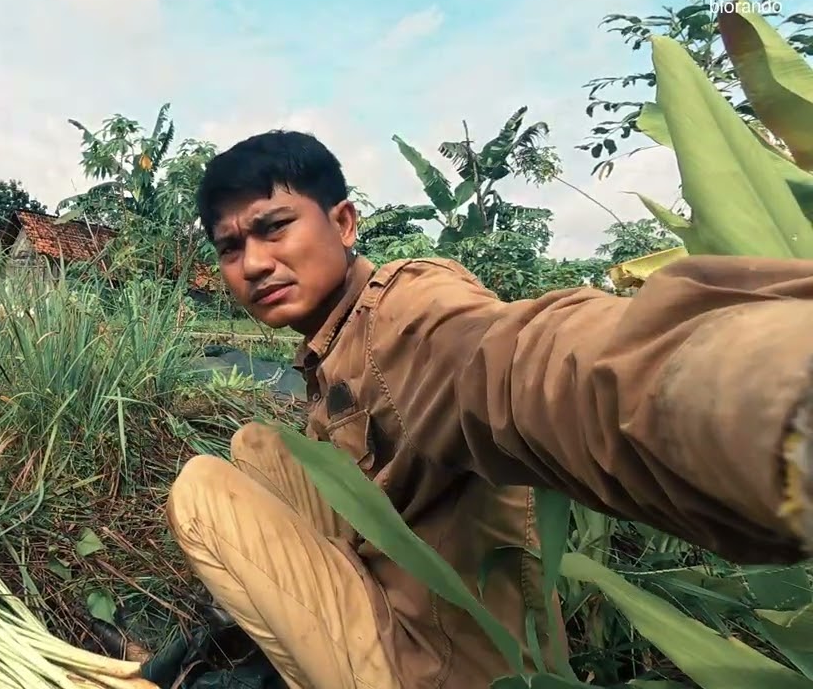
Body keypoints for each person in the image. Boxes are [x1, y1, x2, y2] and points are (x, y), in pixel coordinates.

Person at [155, 129, 813, 689]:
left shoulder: (405, 311)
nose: (255, 264)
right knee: (259, 447)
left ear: (344, 223)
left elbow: (518, 363)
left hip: (451, 668)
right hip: (398, 604)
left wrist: (765, 395)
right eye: (232, 247)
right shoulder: (332, 343)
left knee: (204, 493)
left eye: (273, 228)